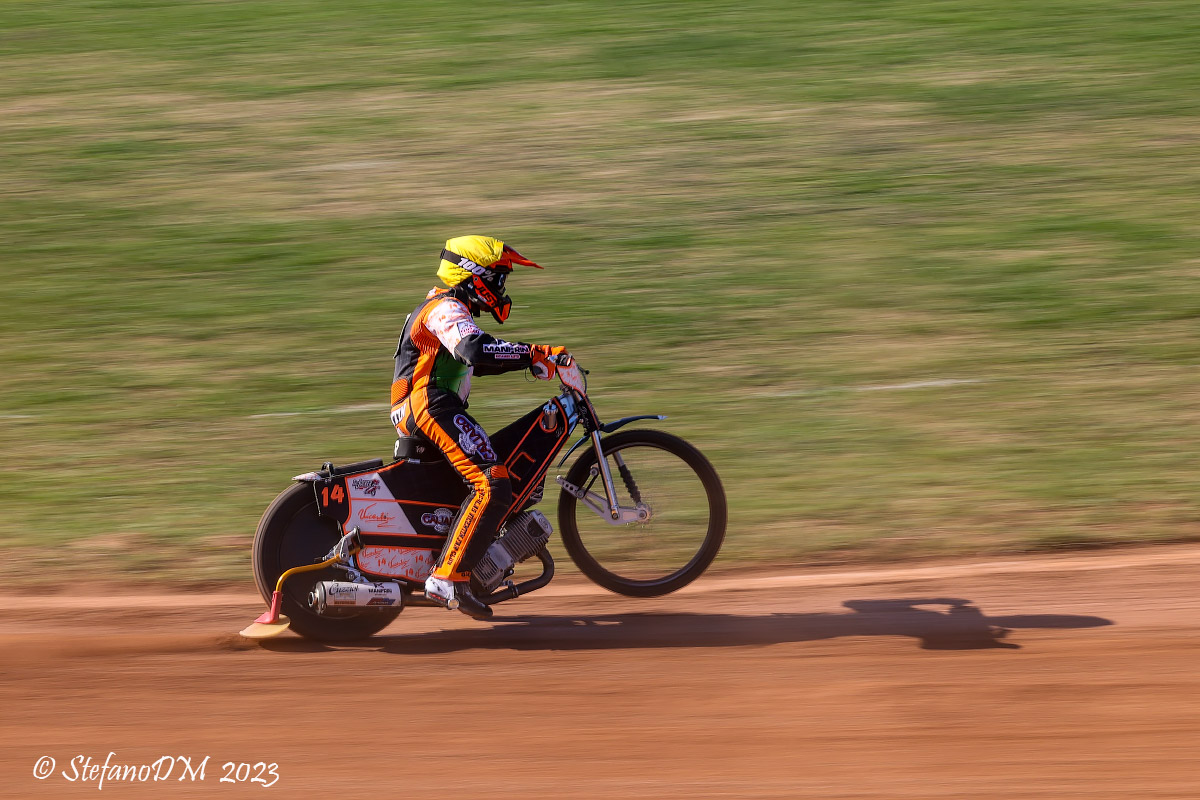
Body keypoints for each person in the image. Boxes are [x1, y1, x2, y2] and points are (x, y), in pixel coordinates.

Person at [390, 235, 569, 619]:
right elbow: (475, 350)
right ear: (473, 275)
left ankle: (464, 555)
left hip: (431, 404)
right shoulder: (445, 307)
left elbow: (475, 360)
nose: (502, 288)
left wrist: (526, 361)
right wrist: (536, 352)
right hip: (429, 405)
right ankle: (448, 578)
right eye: (498, 277)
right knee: (492, 480)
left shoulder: (447, 308)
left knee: (497, 469)